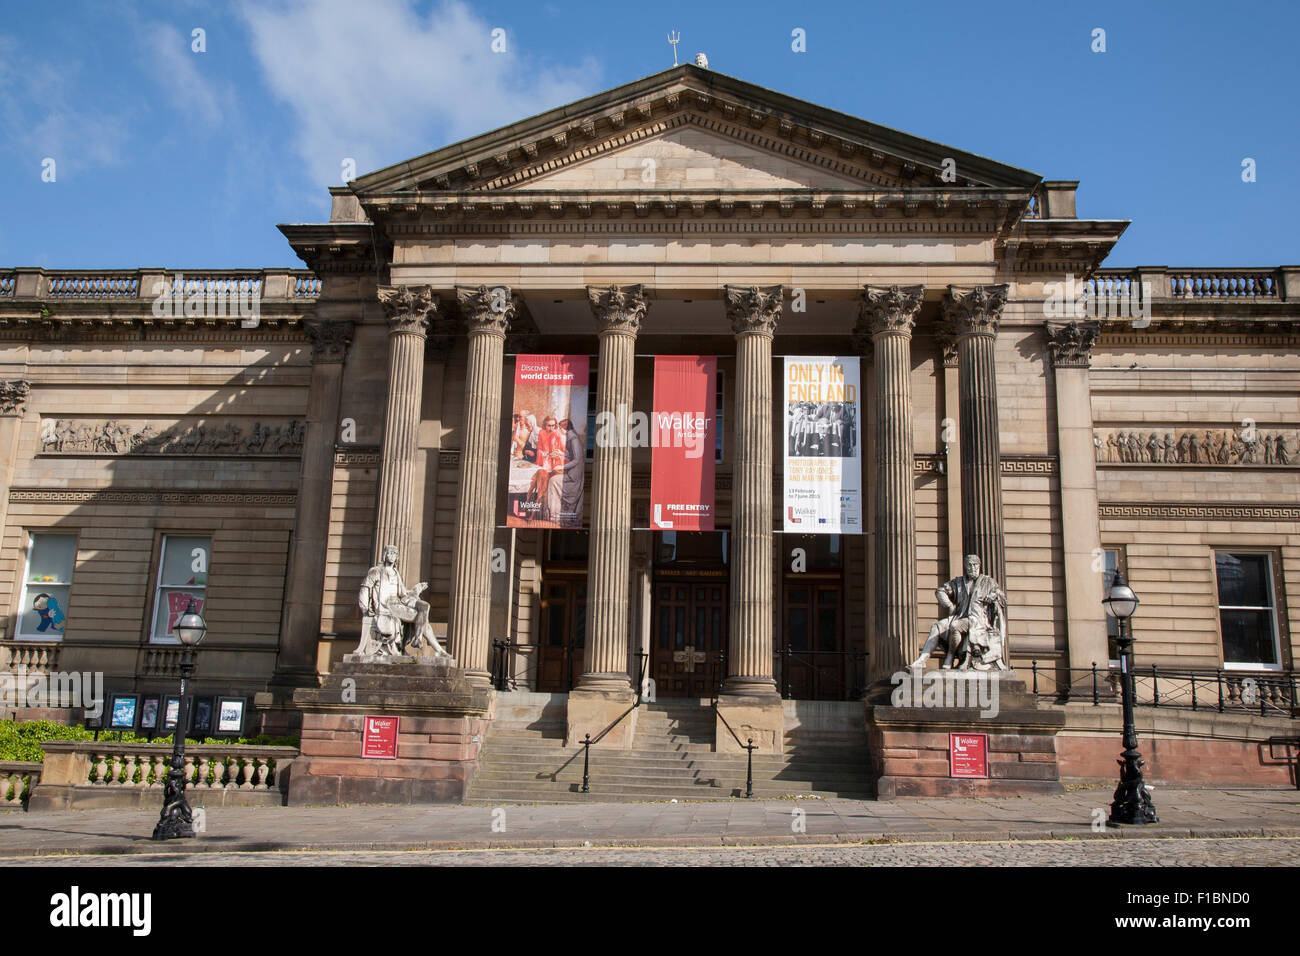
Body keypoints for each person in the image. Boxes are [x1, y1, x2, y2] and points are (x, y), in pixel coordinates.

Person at [910, 554, 1008, 671]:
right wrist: (949, 605)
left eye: (975, 565)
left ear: (979, 566)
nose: (972, 568)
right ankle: (922, 660)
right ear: (965, 567)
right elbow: (940, 591)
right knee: (937, 627)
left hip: (977, 620)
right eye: (969, 565)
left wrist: (993, 596)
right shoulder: (958, 582)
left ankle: (950, 657)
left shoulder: (988, 582)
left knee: (955, 626)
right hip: (960, 617)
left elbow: (1002, 598)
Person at [356, 545, 446, 657]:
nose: (392, 556)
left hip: (398, 603)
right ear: (385, 555)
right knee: (422, 619)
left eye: (395, 553)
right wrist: (365, 608)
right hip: (387, 607)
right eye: (390, 553)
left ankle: (420, 640)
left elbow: (403, 594)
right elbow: (365, 588)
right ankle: (438, 650)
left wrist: (415, 590)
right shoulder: (376, 571)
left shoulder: (396, 573)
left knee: (425, 607)